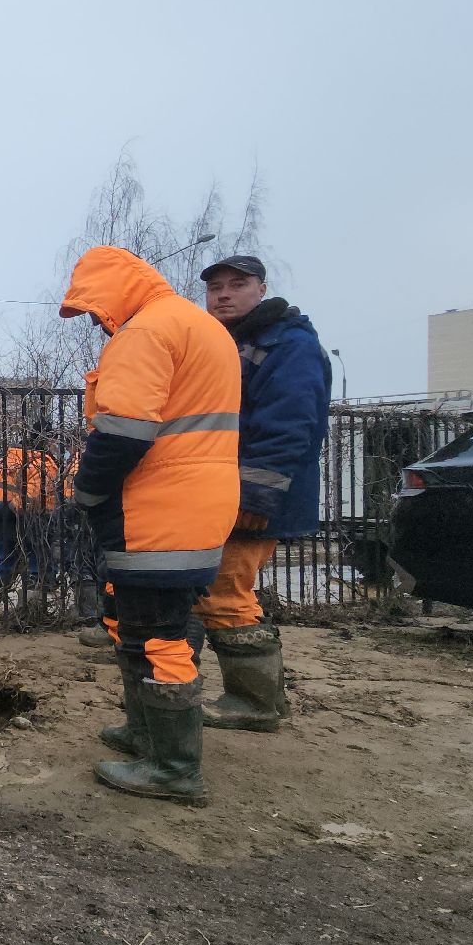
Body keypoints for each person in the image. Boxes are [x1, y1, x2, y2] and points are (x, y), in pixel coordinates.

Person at [60, 246, 240, 805]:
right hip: (194, 506)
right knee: (144, 626)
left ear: (114, 290)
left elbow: (121, 433)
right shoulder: (198, 324)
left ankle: (173, 767)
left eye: (93, 308)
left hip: (158, 511)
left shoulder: (145, 332)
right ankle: (147, 735)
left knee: (159, 635)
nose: (94, 321)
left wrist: (85, 490)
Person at [195, 255, 332, 732]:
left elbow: (288, 428)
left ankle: (256, 702)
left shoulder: (288, 346)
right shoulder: (234, 344)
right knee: (203, 590)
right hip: (222, 493)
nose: (224, 295)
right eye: (216, 288)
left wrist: (256, 497)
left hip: (251, 500)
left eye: (237, 285)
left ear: (262, 289)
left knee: (226, 591)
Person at [0, 421, 64, 613]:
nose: (55, 444)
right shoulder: (43, 463)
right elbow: (40, 498)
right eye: (53, 439)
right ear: (46, 439)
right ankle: (29, 612)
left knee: (5, 561)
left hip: (4, 517)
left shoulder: (10, 457)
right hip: (32, 521)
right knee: (36, 565)